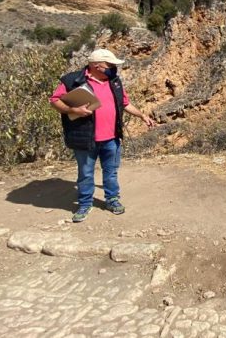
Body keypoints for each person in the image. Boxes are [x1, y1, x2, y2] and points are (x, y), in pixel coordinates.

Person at [49, 48, 154, 223]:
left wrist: (142, 115)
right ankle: (85, 204)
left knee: (111, 172)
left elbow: (125, 103)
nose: (114, 68)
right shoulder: (72, 80)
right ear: (97, 66)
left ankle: (112, 199)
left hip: (112, 138)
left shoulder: (114, 81)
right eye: (110, 65)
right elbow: (54, 100)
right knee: (86, 173)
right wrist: (72, 110)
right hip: (85, 138)